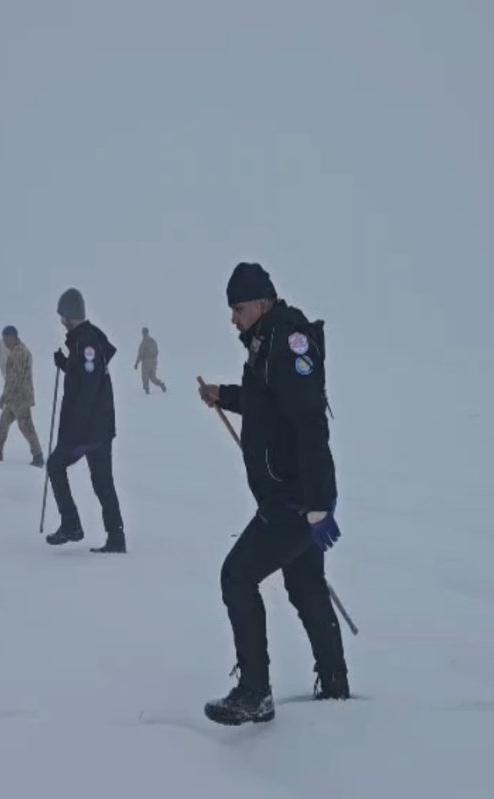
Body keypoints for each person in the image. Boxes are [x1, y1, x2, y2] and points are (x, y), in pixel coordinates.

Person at [197, 262, 349, 726]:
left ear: (262, 302)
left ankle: (254, 692)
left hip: (294, 499)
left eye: (238, 308)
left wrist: (317, 506)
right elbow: (266, 403)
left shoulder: (288, 342)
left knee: (237, 576)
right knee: (305, 586)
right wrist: (224, 395)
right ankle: (335, 683)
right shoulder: (265, 342)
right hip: (289, 495)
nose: (233, 319)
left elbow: (310, 424)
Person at [45, 288, 126, 553]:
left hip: (88, 430)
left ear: (70, 315)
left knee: (55, 465)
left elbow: (89, 387)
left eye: (62, 316)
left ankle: (71, 525)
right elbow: (85, 374)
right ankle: (116, 538)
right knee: (103, 482)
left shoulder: (86, 342)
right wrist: (66, 364)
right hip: (99, 428)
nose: (61, 321)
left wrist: (73, 431)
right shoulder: (84, 340)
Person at [0, 325, 45, 467]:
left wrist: (4, 395)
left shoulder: (19, 353)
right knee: (3, 423)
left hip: (20, 397)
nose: (4, 343)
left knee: (26, 426)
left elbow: (14, 377)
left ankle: (38, 456)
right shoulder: (17, 351)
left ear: (12, 337)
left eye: (5, 339)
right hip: (14, 397)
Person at [134, 326, 167, 394]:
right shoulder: (153, 341)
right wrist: (154, 361)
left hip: (146, 362)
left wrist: (136, 363)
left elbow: (140, 354)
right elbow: (157, 351)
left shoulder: (144, 342)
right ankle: (160, 384)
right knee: (153, 377)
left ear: (143, 333)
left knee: (144, 377)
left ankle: (147, 391)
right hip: (153, 362)